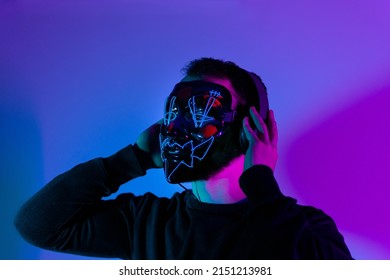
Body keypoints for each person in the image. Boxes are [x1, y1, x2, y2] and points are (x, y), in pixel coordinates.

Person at [14, 58, 353, 259]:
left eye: (202, 113)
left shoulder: (303, 227)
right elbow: (37, 225)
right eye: (174, 113)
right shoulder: (146, 224)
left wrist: (261, 179)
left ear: (249, 127)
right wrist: (131, 159)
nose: (178, 127)